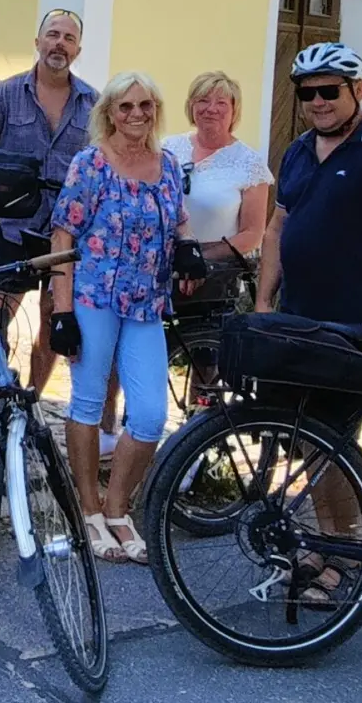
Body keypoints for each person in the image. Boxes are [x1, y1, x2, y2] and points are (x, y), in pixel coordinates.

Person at [256, 42, 362, 605]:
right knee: (312, 441)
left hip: (356, 323)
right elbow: (278, 229)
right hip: (299, 316)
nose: (319, 101)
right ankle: (331, 546)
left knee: (332, 439)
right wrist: (262, 302)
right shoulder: (299, 151)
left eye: (330, 90)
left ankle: (342, 555)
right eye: (308, 93)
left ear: (357, 90)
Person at [47, 71, 206, 565]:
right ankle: (89, 510)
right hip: (94, 299)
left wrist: (186, 252)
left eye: (146, 106)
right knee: (89, 403)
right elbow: (62, 237)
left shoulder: (167, 163)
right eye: (126, 107)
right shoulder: (90, 163)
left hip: (146, 305)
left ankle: (118, 507)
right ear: (109, 113)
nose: (137, 114)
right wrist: (62, 310)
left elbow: (177, 221)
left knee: (151, 414)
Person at [0, 9, 99, 395]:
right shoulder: (8, 93)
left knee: (53, 316)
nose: (60, 44)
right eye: (53, 35)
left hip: (67, 236)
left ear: (78, 49)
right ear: (37, 42)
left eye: (68, 38)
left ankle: (32, 398)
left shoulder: (93, 102)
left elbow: (107, 163)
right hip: (13, 228)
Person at [160, 71, 272, 262]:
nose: (211, 109)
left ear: (234, 110)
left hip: (214, 275)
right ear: (191, 106)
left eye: (221, 103)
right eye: (203, 100)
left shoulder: (251, 164)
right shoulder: (167, 148)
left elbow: (252, 235)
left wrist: (198, 260)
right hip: (160, 265)